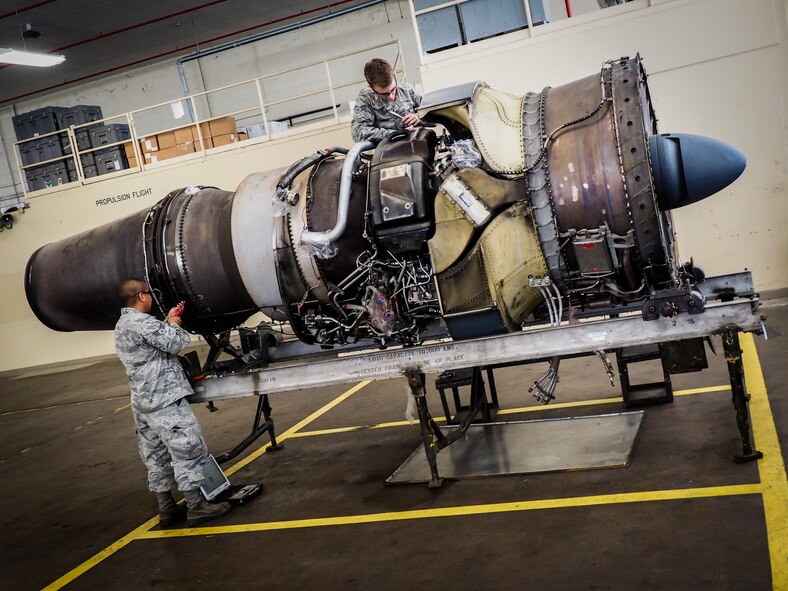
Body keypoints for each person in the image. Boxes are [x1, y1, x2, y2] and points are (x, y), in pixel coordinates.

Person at [114, 279, 232, 528]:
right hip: (165, 399)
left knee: (155, 453)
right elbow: (175, 343)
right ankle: (196, 505)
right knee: (186, 448)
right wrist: (176, 325)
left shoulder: (123, 324)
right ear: (142, 296)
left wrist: (168, 321)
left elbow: (155, 344)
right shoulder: (142, 322)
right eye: (149, 293)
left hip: (143, 401)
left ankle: (166, 507)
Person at [351, 58, 422, 143]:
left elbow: (430, 113)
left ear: (394, 75)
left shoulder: (408, 90)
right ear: (370, 86)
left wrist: (419, 118)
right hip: (386, 151)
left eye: (393, 89)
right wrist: (395, 134)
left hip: (418, 145)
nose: (391, 96)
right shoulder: (366, 99)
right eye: (384, 94)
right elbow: (358, 132)